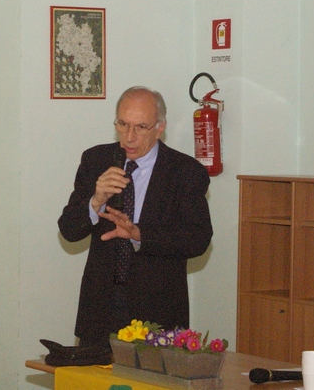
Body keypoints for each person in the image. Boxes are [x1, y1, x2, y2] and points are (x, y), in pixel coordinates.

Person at [58, 86, 213, 347]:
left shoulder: (185, 172)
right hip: (100, 309)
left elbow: (198, 239)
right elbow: (69, 230)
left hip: (157, 310)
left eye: (140, 127)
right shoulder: (96, 160)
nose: (129, 137)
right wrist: (96, 200)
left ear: (159, 127)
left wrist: (140, 234)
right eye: (122, 124)